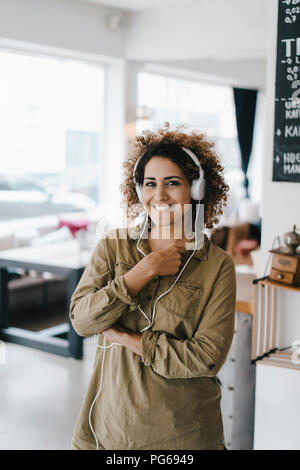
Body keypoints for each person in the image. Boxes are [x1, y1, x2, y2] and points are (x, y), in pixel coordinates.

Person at [69, 124, 236, 451]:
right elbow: (82, 321)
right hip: (110, 430)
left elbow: (205, 359)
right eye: (150, 184)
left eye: (172, 183)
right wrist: (140, 273)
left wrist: (125, 338)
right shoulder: (114, 247)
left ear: (197, 190)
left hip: (183, 437)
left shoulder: (217, 266)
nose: (159, 196)